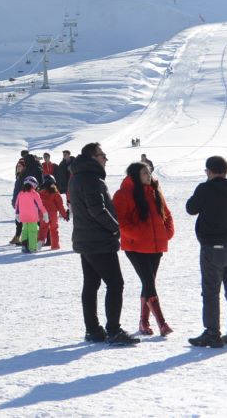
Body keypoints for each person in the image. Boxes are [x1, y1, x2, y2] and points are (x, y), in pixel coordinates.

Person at [68, 142, 138, 345]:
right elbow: (97, 209)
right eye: (102, 155)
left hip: (87, 239)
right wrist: (116, 228)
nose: (106, 159)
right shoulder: (90, 178)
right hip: (98, 240)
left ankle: (93, 330)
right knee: (115, 283)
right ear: (92, 157)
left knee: (91, 285)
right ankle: (113, 330)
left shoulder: (79, 176)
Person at [114, 161, 174, 336]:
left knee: (148, 282)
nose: (149, 176)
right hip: (136, 247)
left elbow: (167, 215)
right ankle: (161, 323)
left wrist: (166, 233)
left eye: (149, 172)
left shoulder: (154, 192)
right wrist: (140, 235)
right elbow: (121, 222)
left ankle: (143, 322)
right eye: (144, 173)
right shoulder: (123, 194)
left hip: (156, 246)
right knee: (149, 282)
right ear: (135, 176)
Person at [186, 155, 227, 348]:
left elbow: (191, 208)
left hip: (211, 247)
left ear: (209, 171)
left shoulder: (205, 188)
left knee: (211, 292)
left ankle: (212, 333)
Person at [14, 177, 48, 253]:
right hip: (32, 217)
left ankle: (24, 246)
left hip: (23, 216)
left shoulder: (20, 193)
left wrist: (17, 214)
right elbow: (40, 205)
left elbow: (17, 205)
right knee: (33, 231)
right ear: (34, 185)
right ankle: (33, 248)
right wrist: (45, 213)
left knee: (25, 230)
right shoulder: (34, 194)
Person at [39, 176, 69, 250]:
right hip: (53, 214)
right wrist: (65, 215)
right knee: (54, 229)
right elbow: (60, 205)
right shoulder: (55, 192)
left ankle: (39, 242)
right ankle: (55, 246)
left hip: (43, 213)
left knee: (43, 228)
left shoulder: (40, 192)